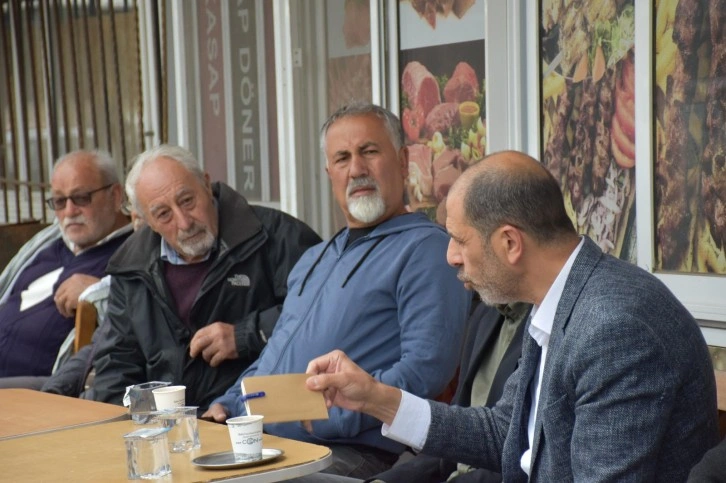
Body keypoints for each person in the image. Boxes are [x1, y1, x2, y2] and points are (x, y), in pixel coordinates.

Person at [304, 150, 720, 482]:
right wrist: (375, 398)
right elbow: (506, 431)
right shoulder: (564, 298)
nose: (449, 257)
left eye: (458, 239)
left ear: (509, 243)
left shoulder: (615, 329)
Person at [204, 103, 470, 478]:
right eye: (342, 158)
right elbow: (276, 354)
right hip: (268, 442)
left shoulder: (425, 250)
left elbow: (427, 370)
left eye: (370, 152)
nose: (357, 169)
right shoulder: (315, 256)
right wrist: (229, 402)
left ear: (403, 159)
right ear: (329, 173)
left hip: (352, 452)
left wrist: (329, 417)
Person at [85, 145, 321, 410]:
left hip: (256, 418)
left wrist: (246, 335)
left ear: (207, 185)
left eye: (187, 200)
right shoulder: (131, 266)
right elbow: (117, 363)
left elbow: (323, 316)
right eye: (163, 214)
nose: (184, 222)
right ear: (146, 221)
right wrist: (114, 429)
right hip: (168, 430)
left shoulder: (279, 236)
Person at [0, 150, 132, 386]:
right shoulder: (48, 242)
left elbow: (145, 310)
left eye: (81, 197)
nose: (69, 212)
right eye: (60, 201)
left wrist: (99, 290)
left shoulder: (133, 249)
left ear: (115, 195)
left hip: (40, 387)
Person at [372, 301, 530, 483]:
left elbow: (517, 455)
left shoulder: (547, 326)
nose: (454, 271)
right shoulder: (487, 314)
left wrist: (375, 399)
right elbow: (454, 438)